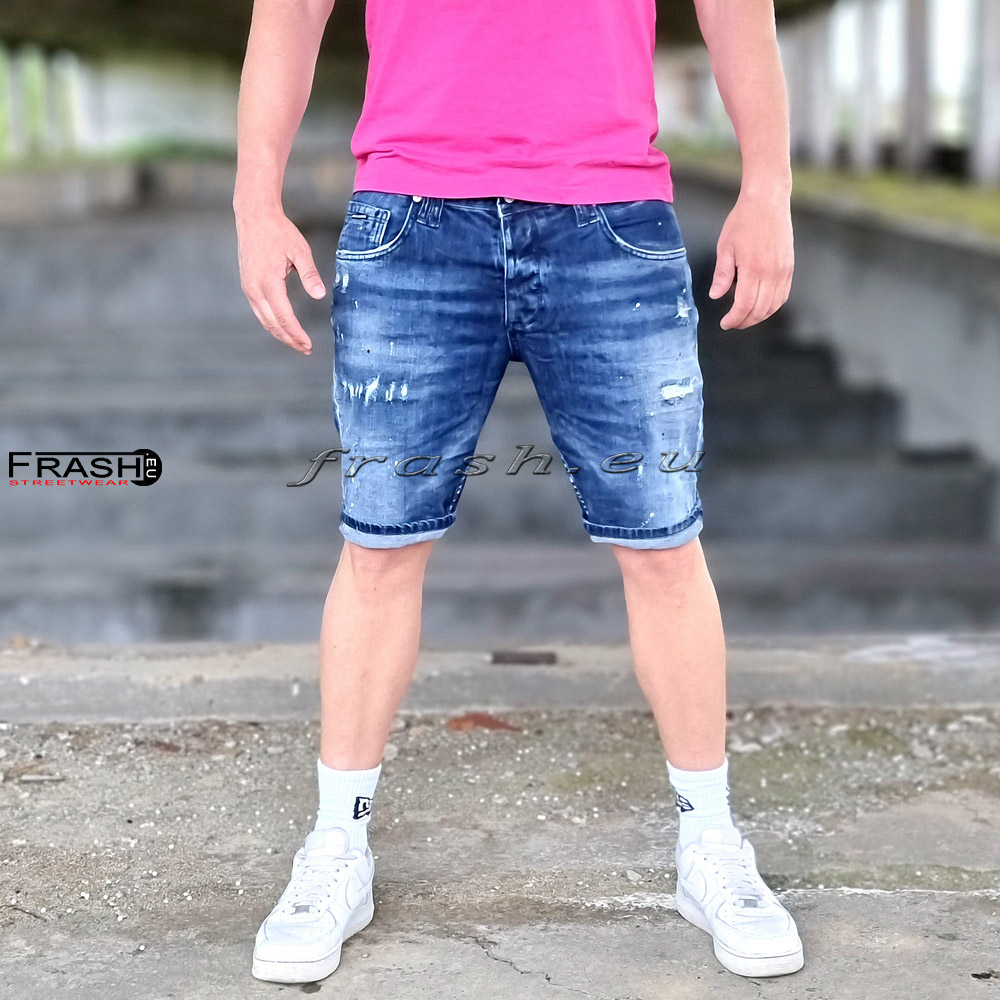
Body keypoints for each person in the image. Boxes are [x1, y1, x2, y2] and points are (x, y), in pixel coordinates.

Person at [233, 0, 800, 984]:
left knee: (663, 543)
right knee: (379, 545)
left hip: (609, 220)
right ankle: (336, 845)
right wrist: (254, 198)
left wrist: (769, 185)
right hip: (411, 219)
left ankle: (710, 843)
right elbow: (290, 10)